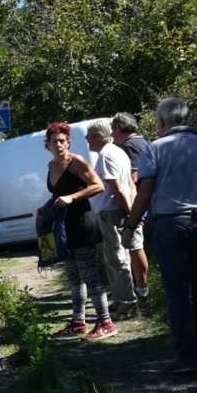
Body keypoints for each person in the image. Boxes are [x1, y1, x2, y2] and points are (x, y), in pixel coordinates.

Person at [122, 98, 197, 372]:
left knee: (177, 290)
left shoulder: (154, 149)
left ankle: (186, 355)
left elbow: (145, 192)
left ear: (160, 123)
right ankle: (196, 344)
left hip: (170, 224)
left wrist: (131, 225)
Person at [45, 121, 117, 341]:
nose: (58, 145)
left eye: (62, 141)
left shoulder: (76, 162)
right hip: (64, 228)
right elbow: (57, 193)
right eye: (54, 141)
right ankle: (78, 322)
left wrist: (72, 197)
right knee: (74, 277)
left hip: (82, 223)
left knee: (90, 275)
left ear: (68, 142)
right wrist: (45, 208)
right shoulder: (51, 166)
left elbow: (98, 186)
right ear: (46, 144)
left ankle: (106, 322)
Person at [86, 119, 139, 317]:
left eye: (88, 136)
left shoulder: (107, 155)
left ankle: (126, 302)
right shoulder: (118, 151)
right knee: (115, 256)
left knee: (117, 257)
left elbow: (116, 187)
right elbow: (129, 184)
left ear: (98, 137)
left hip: (112, 212)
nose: (86, 140)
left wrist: (129, 211)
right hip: (115, 210)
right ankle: (120, 299)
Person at [111, 112, 151, 301]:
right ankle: (140, 287)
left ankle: (142, 289)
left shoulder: (129, 145)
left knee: (135, 245)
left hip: (136, 203)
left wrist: (127, 203)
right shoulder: (144, 141)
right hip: (146, 201)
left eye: (113, 130)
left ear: (119, 129)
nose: (112, 135)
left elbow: (134, 176)